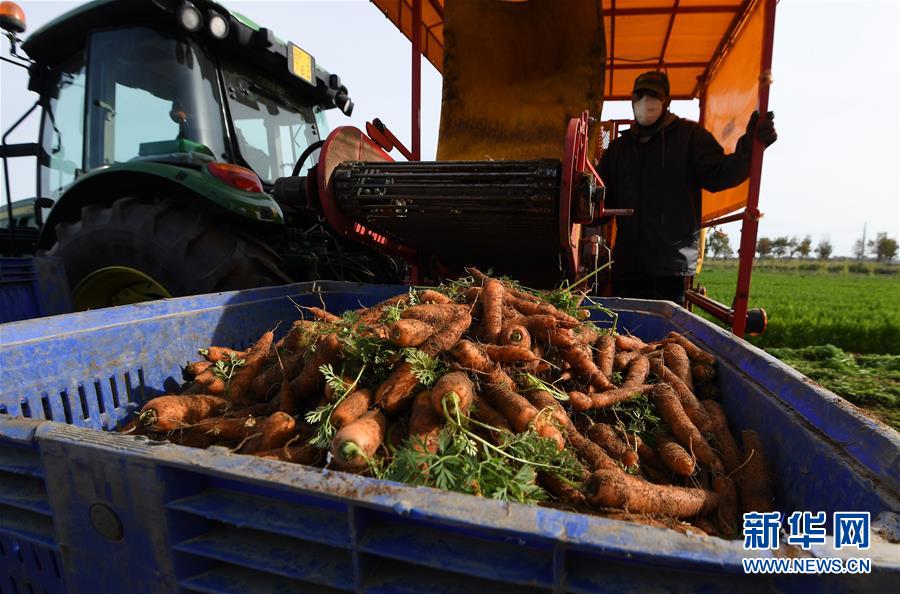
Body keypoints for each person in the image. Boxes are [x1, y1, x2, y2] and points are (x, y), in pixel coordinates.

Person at [598, 71, 777, 305]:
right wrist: (580, 197)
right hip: (628, 267)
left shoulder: (690, 138)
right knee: (625, 325)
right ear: (632, 100)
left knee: (664, 327)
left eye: (653, 95)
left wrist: (751, 147)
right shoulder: (618, 150)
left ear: (667, 101)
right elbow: (600, 203)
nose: (645, 102)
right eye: (639, 96)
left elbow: (721, 175)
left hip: (670, 268)